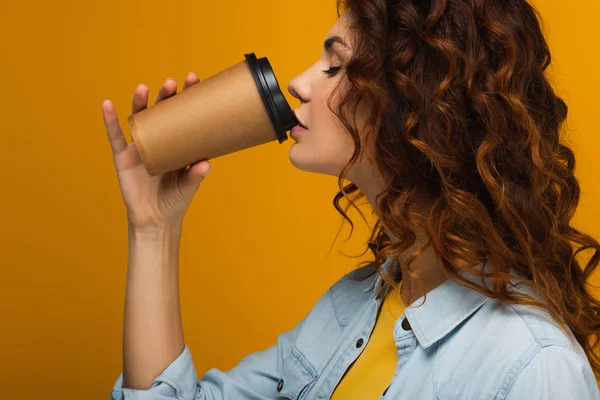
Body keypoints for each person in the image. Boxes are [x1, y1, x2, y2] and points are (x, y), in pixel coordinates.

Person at [102, 1, 600, 399]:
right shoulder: (351, 308)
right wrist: (153, 229)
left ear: (418, 110)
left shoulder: (534, 370)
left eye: (335, 66)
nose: (298, 83)